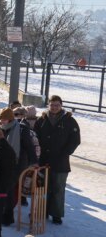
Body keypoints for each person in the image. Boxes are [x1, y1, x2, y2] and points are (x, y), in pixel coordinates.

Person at [33, 95, 81, 225]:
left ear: (61, 105)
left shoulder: (69, 121)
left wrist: (65, 153)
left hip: (61, 162)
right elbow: (35, 138)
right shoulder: (41, 120)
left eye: (57, 105)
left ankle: (56, 214)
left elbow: (75, 140)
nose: (54, 107)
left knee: (58, 188)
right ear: (48, 105)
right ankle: (42, 211)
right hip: (44, 160)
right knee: (42, 187)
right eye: (52, 105)